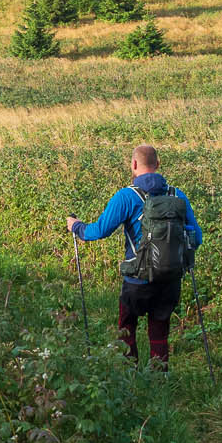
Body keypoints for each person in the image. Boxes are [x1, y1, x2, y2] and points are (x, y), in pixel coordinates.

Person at [63, 143, 203, 366]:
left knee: (126, 327)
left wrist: (76, 226)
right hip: (170, 280)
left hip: (136, 280)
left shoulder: (127, 197)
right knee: (159, 332)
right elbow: (197, 237)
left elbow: (98, 231)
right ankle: (159, 380)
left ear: (134, 164)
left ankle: (129, 376)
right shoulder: (178, 196)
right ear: (158, 164)